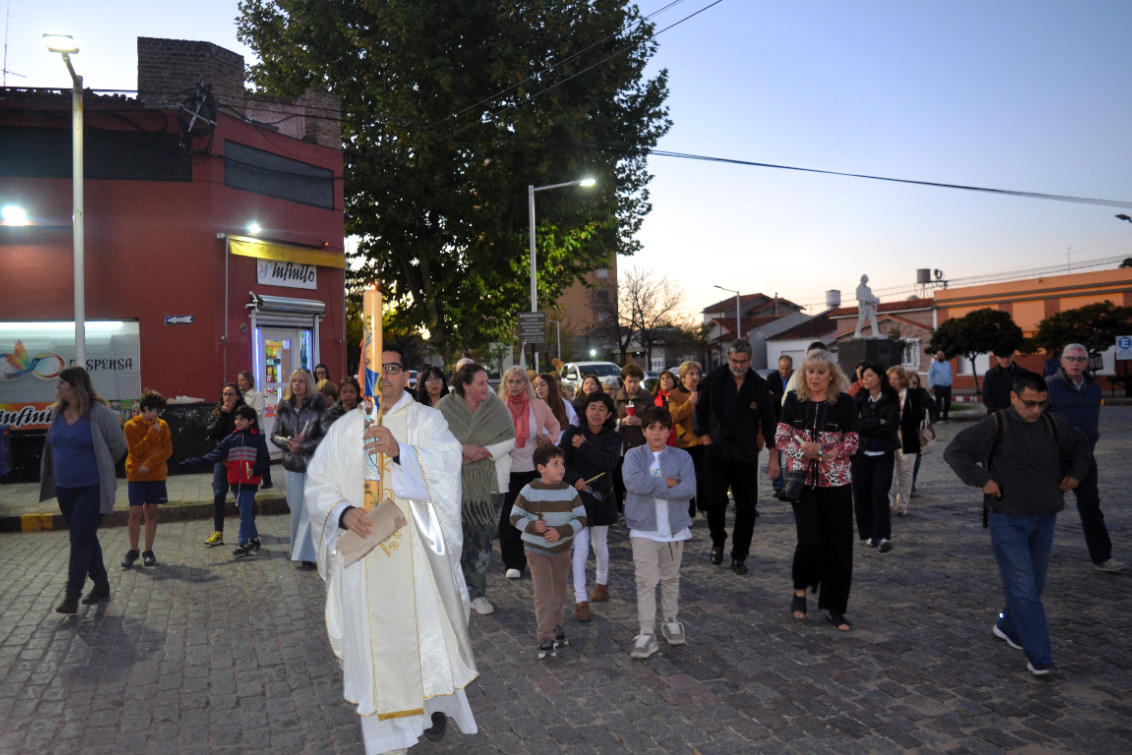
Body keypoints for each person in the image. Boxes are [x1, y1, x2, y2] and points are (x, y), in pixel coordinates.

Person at [305, 344, 478, 752]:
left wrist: (402, 453)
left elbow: (448, 463)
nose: (386, 376)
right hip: (365, 556)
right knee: (375, 649)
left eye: (394, 368)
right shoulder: (347, 426)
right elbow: (319, 483)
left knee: (422, 640)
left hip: (415, 558)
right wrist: (343, 512)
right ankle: (389, 740)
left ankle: (428, 709)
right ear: (364, 376)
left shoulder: (426, 420)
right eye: (376, 369)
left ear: (407, 376)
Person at [944, 372, 1090, 676]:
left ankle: (1007, 625)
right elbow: (954, 452)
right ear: (1014, 398)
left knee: (1033, 586)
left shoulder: (1052, 425)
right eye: (1030, 403)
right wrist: (983, 480)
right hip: (1008, 519)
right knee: (1024, 588)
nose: (1036, 410)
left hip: (1045, 516)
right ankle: (1040, 655)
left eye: (1042, 403)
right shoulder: (997, 424)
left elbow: (1081, 445)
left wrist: (1076, 474)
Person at [776, 350, 859, 631]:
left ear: (831, 375)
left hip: (836, 483)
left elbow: (853, 441)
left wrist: (823, 451)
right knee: (809, 541)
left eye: (821, 372)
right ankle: (800, 589)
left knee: (838, 546)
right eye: (810, 372)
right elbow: (781, 437)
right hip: (803, 484)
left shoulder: (845, 403)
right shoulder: (794, 402)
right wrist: (803, 451)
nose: (815, 377)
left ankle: (835, 607)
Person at [40, 366, 128, 614]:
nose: (57, 388)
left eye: (61, 384)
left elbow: (118, 446)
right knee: (85, 535)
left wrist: (101, 465)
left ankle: (72, 594)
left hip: (91, 487)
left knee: (78, 537)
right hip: (65, 488)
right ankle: (101, 584)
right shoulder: (58, 413)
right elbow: (53, 447)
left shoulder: (99, 413)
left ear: (75, 386)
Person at [694, 339, 779, 575]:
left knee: (747, 508)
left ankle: (740, 555)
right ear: (728, 359)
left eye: (743, 361)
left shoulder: (759, 386)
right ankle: (718, 541)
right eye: (734, 361)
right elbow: (699, 412)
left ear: (750, 360)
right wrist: (706, 440)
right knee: (715, 502)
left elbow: (770, 422)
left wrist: (773, 457)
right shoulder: (713, 380)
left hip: (745, 454)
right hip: (716, 452)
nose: (738, 365)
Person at [436, 363, 516, 615]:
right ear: (465, 386)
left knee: (482, 539)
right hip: (453, 483)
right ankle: (453, 591)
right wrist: (461, 451)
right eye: (481, 383)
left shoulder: (496, 406)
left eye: (487, 382)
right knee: (454, 537)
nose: (487, 387)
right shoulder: (444, 408)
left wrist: (483, 453)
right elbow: (433, 442)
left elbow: (510, 438)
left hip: (490, 484)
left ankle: (477, 592)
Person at [622, 406, 696, 660]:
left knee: (671, 577)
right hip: (643, 528)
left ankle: (670, 620)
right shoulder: (633, 456)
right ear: (643, 431)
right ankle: (646, 632)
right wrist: (667, 482)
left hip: (674, 529)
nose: (656, 433)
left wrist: (652, 486)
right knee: (645, 580)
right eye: (651, 428)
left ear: (669, 431)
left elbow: (688, 489)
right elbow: (633, 483)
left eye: (662, 428)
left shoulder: (681, 458)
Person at [1046, 343, 1125, 573]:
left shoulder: (1093, 387)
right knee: (1043, 507)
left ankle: (1102, 557)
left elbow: (1093, 421)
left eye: (1081, 359)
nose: (1076, 363)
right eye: (1071, 358)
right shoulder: (1050, 386)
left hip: (1085, 458)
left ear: (1087, 363)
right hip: (1056, 459)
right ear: (1062, 361)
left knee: (1091, 507)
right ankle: (1029, 557)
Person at [510, 444, 586, 659]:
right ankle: (545, 635)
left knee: (559, 590)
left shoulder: (570, 491)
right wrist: (533, 526)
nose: (561, 468)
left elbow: (581, 518)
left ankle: (557, 625)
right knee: (544, 592)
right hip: (536, 550)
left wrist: (561, 532)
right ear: (541, 468)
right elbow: (514, 517)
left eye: (562, 463)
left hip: (562, 550)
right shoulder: (529, 491)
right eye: (555, 464)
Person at [560, 391, 621, 621]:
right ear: (585, 411)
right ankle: (580, 599)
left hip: (601, 497)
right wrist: (575, 479)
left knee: (600, 545)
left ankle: (602, 583)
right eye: (592, 407)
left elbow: (609, 463)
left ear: (608, 415)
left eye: (602, 409)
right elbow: (561, 462)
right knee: (581, 547)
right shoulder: (572, 432)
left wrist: (585, 445)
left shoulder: (613, 438)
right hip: (577, 498)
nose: (596, 413)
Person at [496, 366, 562, 581]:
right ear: (505, 384)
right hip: (508, 470)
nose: (514, 386)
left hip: (534, 469)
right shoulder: (498, 407)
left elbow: (555, 425)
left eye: (519, 381)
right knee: (509, 518)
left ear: (526, 384)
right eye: (510, 381)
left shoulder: (538, 405)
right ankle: (513, 562)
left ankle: (540, 561)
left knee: (538, 516)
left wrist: (549, 440)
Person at [181, 405, 270, 558]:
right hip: (235, 482)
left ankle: (243, 543)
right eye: (236, 418)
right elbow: (215, 455)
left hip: (250, 482)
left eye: (242, 419)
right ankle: (254, 539)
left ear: (251, 421)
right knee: (246, 511)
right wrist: (194, 462)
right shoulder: (230, 439)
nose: (237, 421)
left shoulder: (257, 439)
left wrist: (255, 470)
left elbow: (265, 460)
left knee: (244, 513)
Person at [271, 368, 328, 569]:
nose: (296, 384)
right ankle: (297, 550)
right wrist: (288, 443)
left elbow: (325, 436)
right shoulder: (284, 407)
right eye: (294, 380)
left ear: (309, 384)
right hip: (292, 466)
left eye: (301, 381)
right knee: (296, 510)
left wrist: (302, 446)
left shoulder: (318, 407)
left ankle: (310, 554)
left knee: (310, 510)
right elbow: (274, 435)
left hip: (312, 465)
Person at [122, 389, 173, 568]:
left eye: (160, 411)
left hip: (156, 474)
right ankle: (133, 550)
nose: (158, 415)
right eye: (155, 410)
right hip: (136, 474)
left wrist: (150, 463)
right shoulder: (131, 426)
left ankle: (148, 550)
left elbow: (167, 450)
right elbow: (135, 451)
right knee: (134, 511)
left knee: (151, 511)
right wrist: (151, 433)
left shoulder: (163, 425)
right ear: (146, 408)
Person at [851, 364, 899, 552]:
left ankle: (884, 536)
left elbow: (891, 426)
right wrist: (877, 422)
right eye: (864, 376)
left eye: (869, 375)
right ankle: (869, 534)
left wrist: (866, 425)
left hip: (883, 454)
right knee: (861, 495)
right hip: (862, 453)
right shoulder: (859, 398)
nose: (865, 379)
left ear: (879, 377)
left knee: (879, 494)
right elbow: (854, 424)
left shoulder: (891, 398)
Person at [203, 383, 246, 546]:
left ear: (238, 397)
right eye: (224, 394)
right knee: (219, 495)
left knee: (242, 496)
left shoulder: (243, 414)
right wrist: (223, 415)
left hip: (239, 460)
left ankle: (248, 529)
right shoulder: (217, 412)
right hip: (222, 461)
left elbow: (245, 434)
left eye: (231, 394)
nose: (227, 398)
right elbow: (213, 434)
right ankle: (218, 532)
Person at [614, 364, 654, 510]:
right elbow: (608, 421)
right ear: (624, 380)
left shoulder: (647, 398)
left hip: (640, 445)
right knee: (619, 480)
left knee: (639, 480)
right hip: (620, 447)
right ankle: (618, 511)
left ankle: (639, 508)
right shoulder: (616, 399)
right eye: (630, 381)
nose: (632, 385)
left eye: (636, 381)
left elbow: (655, 421)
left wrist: (640, 422)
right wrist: (620, 423)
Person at [667, 361, 705, 518]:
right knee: (687, 479)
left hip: (703, 441)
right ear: (683, 377)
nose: (695, 377)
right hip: (684, 443)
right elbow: (673, 417)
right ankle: (689, 511)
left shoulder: (705, 390)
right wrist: (690, 402)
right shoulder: (674, 394)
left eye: (697, 373)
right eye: (691, 374)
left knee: (704, 477)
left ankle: (704, 507)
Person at [886, 366, 924, 517]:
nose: (892, 382)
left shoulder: (913, 394)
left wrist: (902, 423)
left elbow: (918, 415)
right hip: (888, 437)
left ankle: (903, 503)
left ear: (902, 380)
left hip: (907, 438)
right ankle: (888, 503)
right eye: (890, 379)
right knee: (888, 471)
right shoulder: (885, 395)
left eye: (895, 378)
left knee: (905, 473)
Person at [237, 370, 272, 488]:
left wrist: (245, 416)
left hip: (256, 429)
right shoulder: (239, 396)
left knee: (261, 455)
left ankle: (267, 480)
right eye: (239, 380)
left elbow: (258, 412)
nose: (240, 383)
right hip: (243, 430)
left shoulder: (256, 395)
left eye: (243, 380)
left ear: (249, 381)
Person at [765, 356, 793, 497]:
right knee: (776, 454)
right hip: (776, 420)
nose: (784, 371)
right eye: (782, 368)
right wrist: (785, 397)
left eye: (787, 368)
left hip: (792, 422)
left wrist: (778, 397)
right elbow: (769, 399)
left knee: (792, 454)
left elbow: (796, 398)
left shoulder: (795, 377)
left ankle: (790, 485)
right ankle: (778, 487)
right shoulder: (772, 378)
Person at [907, 372, 935, 496]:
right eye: (909, 383)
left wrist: (925, 413)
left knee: (917, 459)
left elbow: (931, 405)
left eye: (915, 383)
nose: (912, 386)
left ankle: (911, 484)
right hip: (905, 431)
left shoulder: (921, 393)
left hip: (918, 431)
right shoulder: (901, 394)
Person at [983, 347, 1029, 415]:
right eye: (1002, 358)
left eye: (1008, 357)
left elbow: (1028, 394)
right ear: (997, 357)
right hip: (997, 416)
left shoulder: (1024, 373)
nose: (1005, 360)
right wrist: (1001, 412)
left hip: (1018, 414)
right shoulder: (990, 375)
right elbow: (987, 397)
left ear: (1013, 356)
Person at [927, 351, 953, 422]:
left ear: (944, 356)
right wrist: (930, 386)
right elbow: (930, 376)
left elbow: (950, 374)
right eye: (939, 356)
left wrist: (950, 383)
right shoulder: (933, 365)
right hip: (938, 386)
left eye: (941, 355)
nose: (940, 357)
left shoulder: (947, 364)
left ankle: (945, 418)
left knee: (948, 402)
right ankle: (937, 418)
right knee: (938, 403)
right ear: (937, 357)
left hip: (947, 386)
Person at [854, 274, 880, 338]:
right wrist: (864, 299)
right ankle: (857, 333)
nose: (865, 282)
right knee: (861, 320)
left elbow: (871, 296)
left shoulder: (868, 289)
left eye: (866, 281)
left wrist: (875, 299)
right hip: (863, 306)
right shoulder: (858, 288)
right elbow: (857, 297)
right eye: (865, 280)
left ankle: (876, 333)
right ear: (862, 280)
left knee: (873, 319)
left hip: (870, 306)